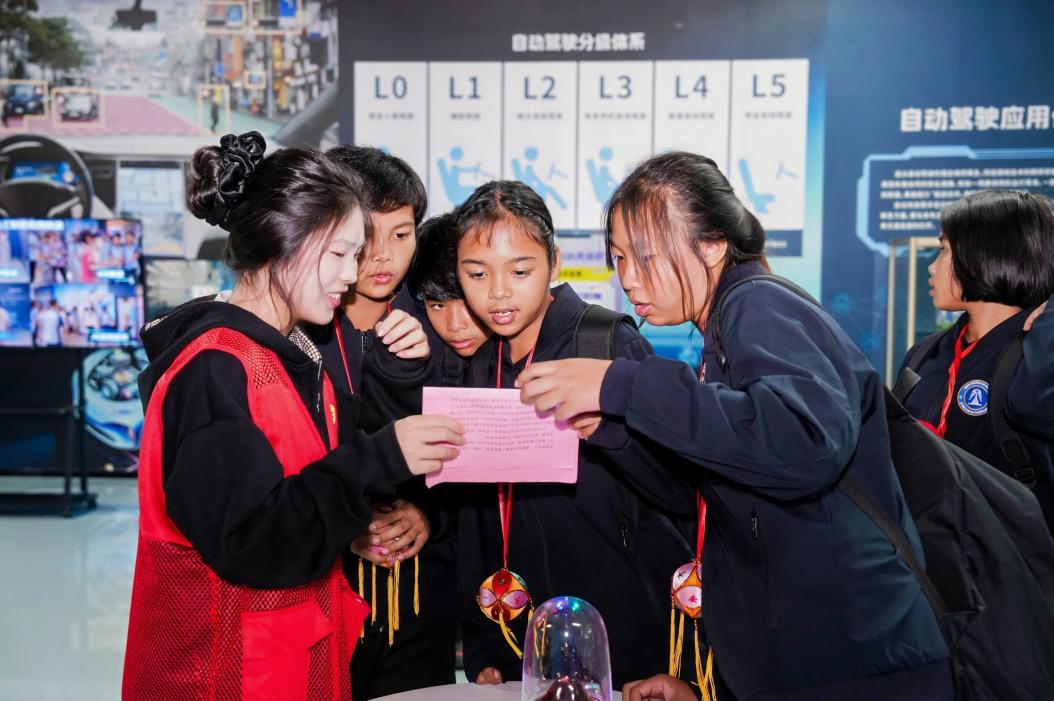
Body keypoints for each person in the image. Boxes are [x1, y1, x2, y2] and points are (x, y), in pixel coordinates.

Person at [517, 152, 953, 700]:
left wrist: (623, 384)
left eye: (646, 257)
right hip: (813, 658)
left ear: (713, 245)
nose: (628, 278)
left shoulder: (758, 304)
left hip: (854, 661)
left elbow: (804, 443)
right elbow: (710, 495)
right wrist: (613, 430)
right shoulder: (726, 328)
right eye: (620, 258)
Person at [121, 132, 465, 701]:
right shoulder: (215, 368)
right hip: (223, 673)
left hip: (287, 662)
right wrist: (382, 456)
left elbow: (305, 501)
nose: (352, 275)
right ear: (288, 242)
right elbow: (254, 539)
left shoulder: (288, 356)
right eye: (340, 254)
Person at [452, 180, 696, 688]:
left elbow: (678, 490)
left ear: (554, 263)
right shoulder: (478, 364)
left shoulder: (605, 342)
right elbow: (474, 516)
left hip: (627, 627)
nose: (498, 292)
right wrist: (481, 640)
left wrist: (610, 432)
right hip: (520, 633)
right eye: (477, 273)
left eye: (520, 271)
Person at [307, 145, 458, 700]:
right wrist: (346, 525)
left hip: (422, 592)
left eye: (402, 234)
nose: (384, 256)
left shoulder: (443, 323)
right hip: (324, 590)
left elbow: (477, 453)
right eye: (367, 236)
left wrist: (428, 515)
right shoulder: (301, 334)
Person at [900, 189, 1054, 532]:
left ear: (987, 255)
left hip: (1014, 554)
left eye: (944, 250)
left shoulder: (1038, 357)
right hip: (931, 551)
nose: (932, 266)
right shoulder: (925, 354)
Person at [404, 211, 492, 383]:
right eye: (438, 306)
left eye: (468, 305)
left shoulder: (534, 353)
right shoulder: (415, 350)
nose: (455, 326)